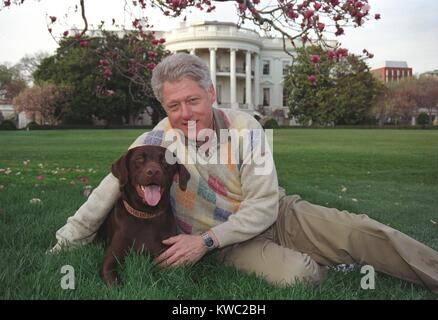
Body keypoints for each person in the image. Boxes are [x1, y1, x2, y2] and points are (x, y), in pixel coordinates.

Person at [50, 53, 438, 293]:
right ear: (162, 106)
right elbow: (104, 195)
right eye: (173, 105)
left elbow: (266, 204)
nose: (185, 114)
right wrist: (64, 243)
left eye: (193, 100)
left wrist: (204, 242)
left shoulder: (244, 127)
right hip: (223, 242)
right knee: (300, 276)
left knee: (362, 231)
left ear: (212, 94)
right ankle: (325, 259)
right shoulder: (153, 143)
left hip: (278, 214)